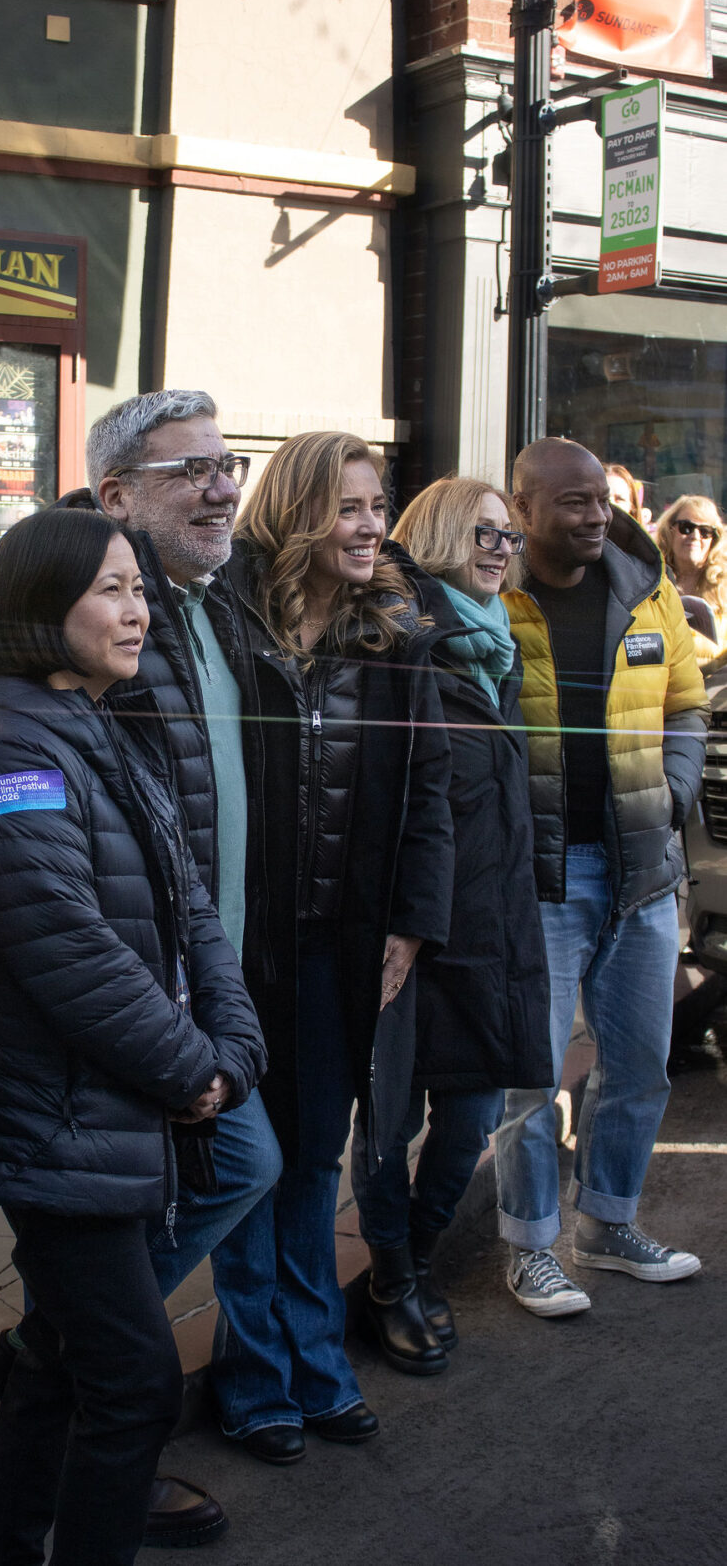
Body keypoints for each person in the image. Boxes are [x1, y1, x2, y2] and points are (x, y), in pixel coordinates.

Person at [0, 506, 265, 1566]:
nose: (138, 613)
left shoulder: (92, 724)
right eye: (112, 591)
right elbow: (66, 950)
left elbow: (191, 909)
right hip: (57, 1121)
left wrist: (231, 1049)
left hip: (117, 1109)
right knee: (133, 1385)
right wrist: (192, 1070)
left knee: (67, 1365)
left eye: (140, 591)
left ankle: (7, 1543)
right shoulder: (0, 751)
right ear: (41, 607)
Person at [208, 431, 454, 1462]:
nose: (370, 527)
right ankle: (256, 1376)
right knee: (249, 1162)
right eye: (351, 506)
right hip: (237, 944)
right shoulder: (220, 622)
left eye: (376, 505)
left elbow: (430, 789)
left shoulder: (396, 635)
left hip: (341, 944)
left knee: (313, 1160)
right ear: (301, 511)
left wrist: (410, 924)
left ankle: (315, 1366)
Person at [496, 436, 707, 1316]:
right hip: (538, 875)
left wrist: (676, 789)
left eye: (601, 500)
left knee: (640, 1063)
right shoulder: (489, 597)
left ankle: (609, 1226)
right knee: (529, 1074)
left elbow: (688, 701)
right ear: (522, 510)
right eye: (573, 503)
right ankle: (530, 1245)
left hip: (641, 871)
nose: (594, 517)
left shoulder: (645, 587)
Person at [349, 477, 553, 1372]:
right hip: (410, 933)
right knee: (387, 1123)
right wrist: (397, 923)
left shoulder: (499, 648)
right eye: (484, 531)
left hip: (491, 927)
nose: (503, 548)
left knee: (469, 1120)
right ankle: (391, 1278)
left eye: (511, 535)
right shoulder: (403, 643)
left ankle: (413, 1265)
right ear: (435, 531)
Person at [655, 493, 727, 667]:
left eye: (705, 531)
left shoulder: (724, 588)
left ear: (714, 539)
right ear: (669, 529)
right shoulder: (650, 581)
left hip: (712, 691)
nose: (695, 536)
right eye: (686, 527)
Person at [604, 461, 651, 530]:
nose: (612, 503)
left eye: (619, 499)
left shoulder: (641, 540)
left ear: (632, 507)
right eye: (604, 498)